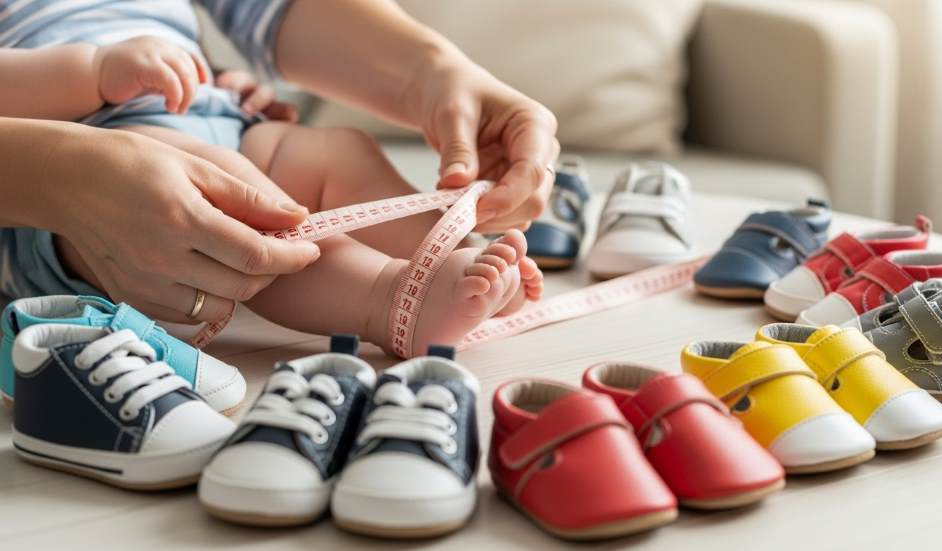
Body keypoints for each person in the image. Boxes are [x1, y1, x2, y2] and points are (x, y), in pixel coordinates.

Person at [0, 0, 557, 355]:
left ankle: (452, 255)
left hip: (206, 117)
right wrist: (93, 73)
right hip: (64, 183)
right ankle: (390, 302)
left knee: (336, 151)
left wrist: (437, 73)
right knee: (249, 210)